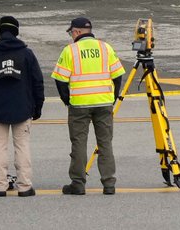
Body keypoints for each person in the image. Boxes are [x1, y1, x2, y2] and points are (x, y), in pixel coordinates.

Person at [52, 16, 125, 195]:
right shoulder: (105, 47)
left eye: (71, 32)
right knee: (105, 143)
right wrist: (112, 97)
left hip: (79, 104)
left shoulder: (70, 51)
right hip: (104, 102)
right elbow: (118, 76)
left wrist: (67, 100)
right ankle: (109, 183)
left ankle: (78, 183)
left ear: (76, 32)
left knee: (79, 143)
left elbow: (60, 80)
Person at [0, 15, 44, 197]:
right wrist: (37, 107)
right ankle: (24, 186)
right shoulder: (27, 54)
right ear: (16, 31)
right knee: (22, 146)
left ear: (0, 31)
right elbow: (37, 82)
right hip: (22, 107)